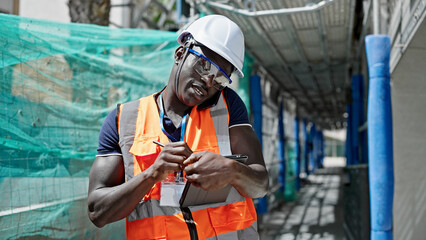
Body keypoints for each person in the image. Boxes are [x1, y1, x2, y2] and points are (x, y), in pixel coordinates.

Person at [87, 15, 269, 240]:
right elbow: (97, 212)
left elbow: (260, 185)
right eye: (205, 66)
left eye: (221, 78)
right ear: (180, 54)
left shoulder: (228, 106)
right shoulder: (123, 120)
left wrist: (232, 170)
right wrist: (152, 174)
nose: (210, 83)